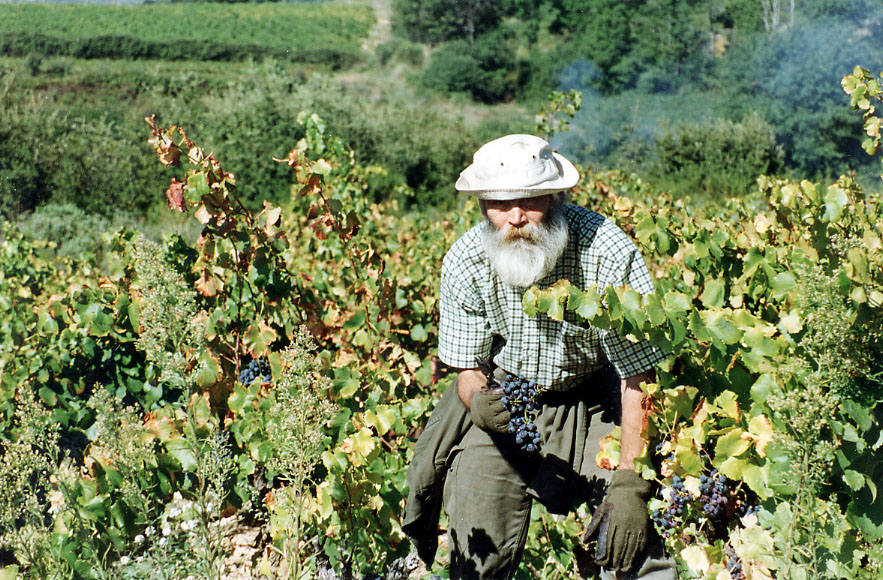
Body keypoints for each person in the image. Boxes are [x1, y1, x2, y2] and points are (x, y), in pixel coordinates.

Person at [402, 135, 677, 580]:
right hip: (513, 402)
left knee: (632, 542)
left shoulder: (606, 252)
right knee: (475, 552)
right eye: (499, 203)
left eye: (530, 200)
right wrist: (479, 402)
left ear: (556, 196)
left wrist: (630, 484)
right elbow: (468, 371)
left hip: (598, 399)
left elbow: (636, 380)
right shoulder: (465, 262)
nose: (515, 218)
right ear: (481, 204)